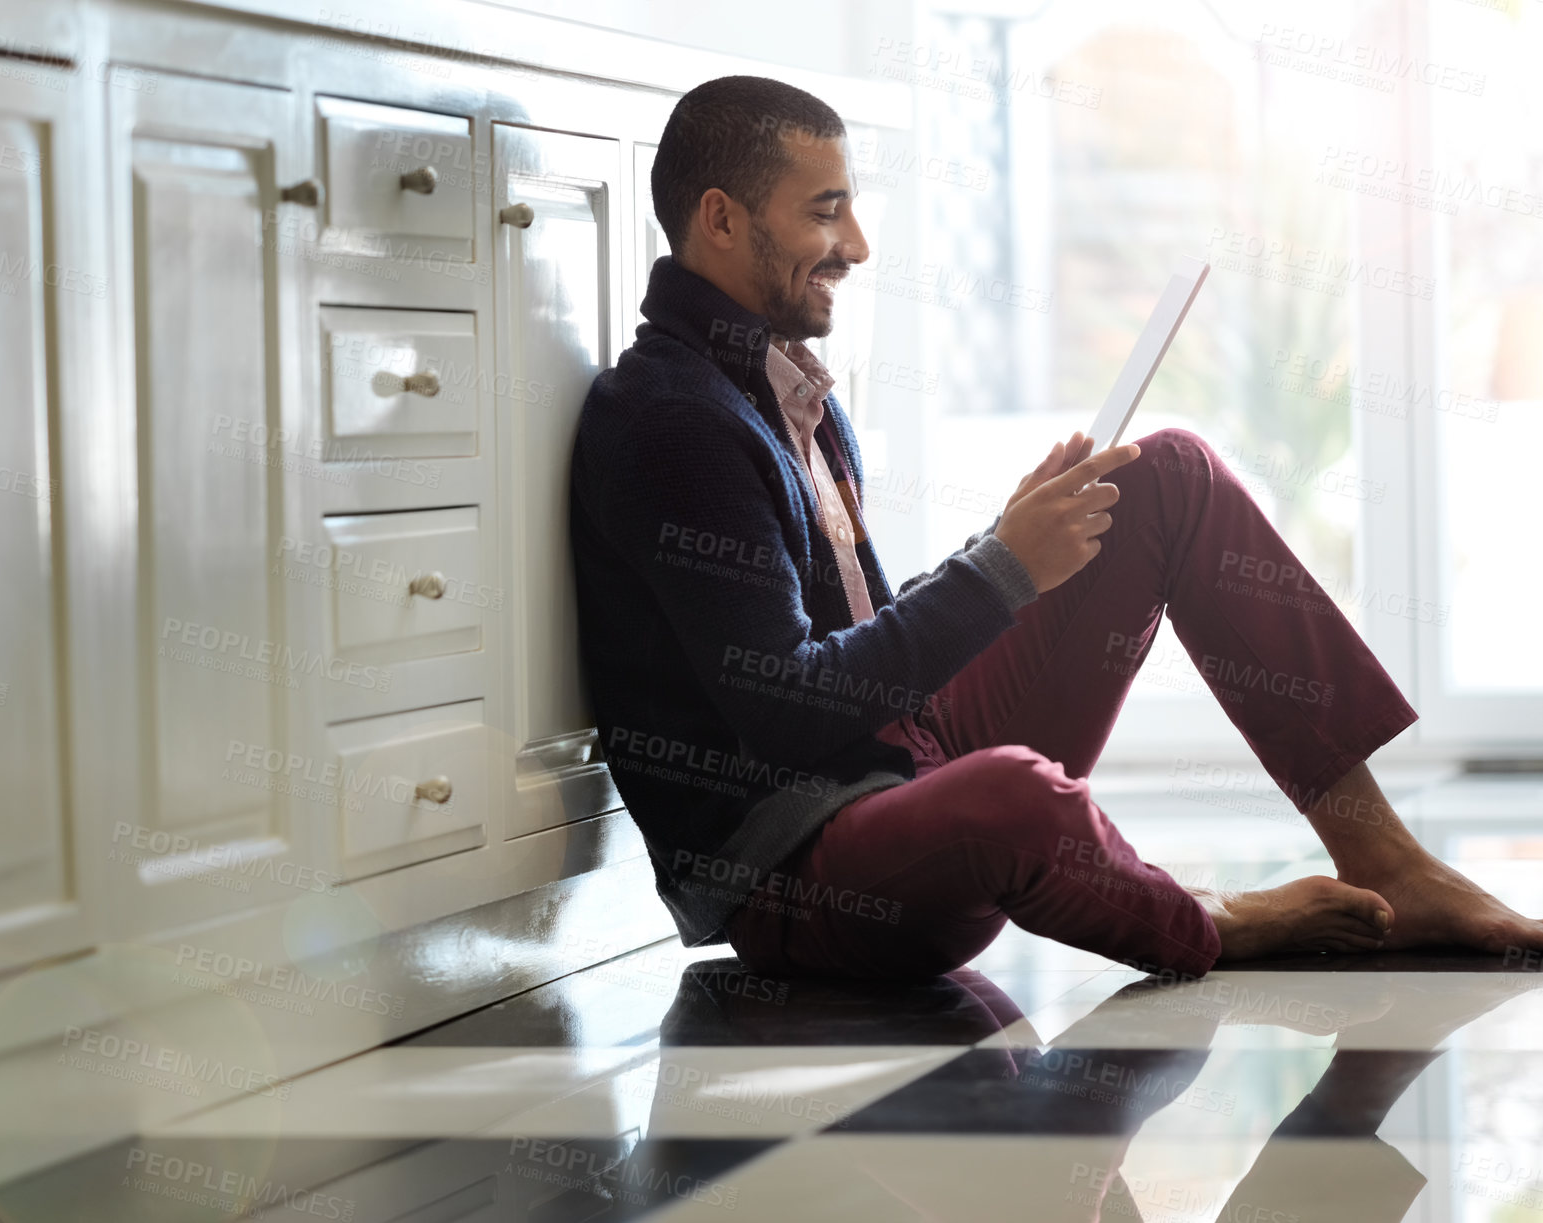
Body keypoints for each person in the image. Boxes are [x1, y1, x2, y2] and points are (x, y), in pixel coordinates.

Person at [568, 74, 1543, 983]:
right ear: (722, 219)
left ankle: (1385, 856)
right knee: (1013, 797)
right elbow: (782, 710)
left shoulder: (785, 390)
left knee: (1165, 476)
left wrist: (1005, 545)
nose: (857, 244)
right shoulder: (672, 423)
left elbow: (849, 649)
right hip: (806, 874)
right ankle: (1206, 920)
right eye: (826, 210)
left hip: (895, 762)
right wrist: (998, 571)